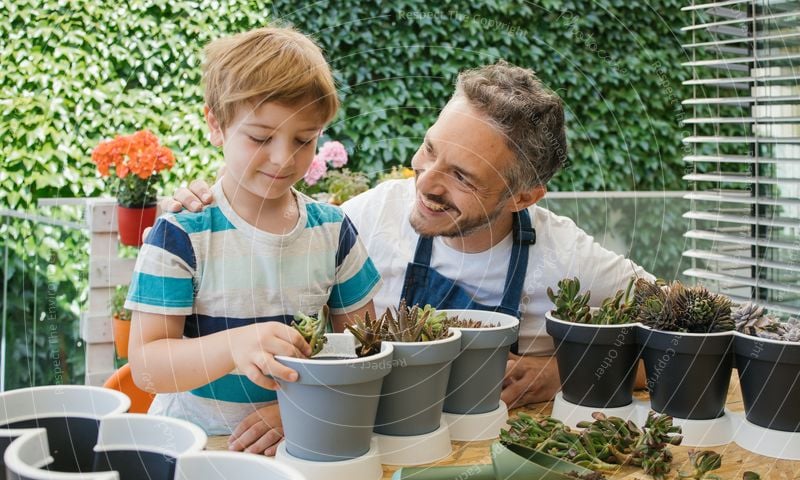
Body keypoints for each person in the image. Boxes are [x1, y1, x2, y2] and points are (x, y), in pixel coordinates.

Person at [165, 61, 647, 409]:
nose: (426, 183)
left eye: (462, 177)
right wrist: (210, 208)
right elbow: (270, 251)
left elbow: (698, 337)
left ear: (523, 198)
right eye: (428, 149)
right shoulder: (370, 217)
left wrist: (566, 371)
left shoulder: (567, 256)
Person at [125, 26, 381, 456]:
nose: (283, 158)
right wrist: (234, 345)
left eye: (304, 139)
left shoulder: (334, 231)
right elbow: (148, 368)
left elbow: (366, 354)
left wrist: (297, 407)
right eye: (260, 138)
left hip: (299, 442)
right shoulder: (182, 233)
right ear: (216, 125)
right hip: (189, 450)